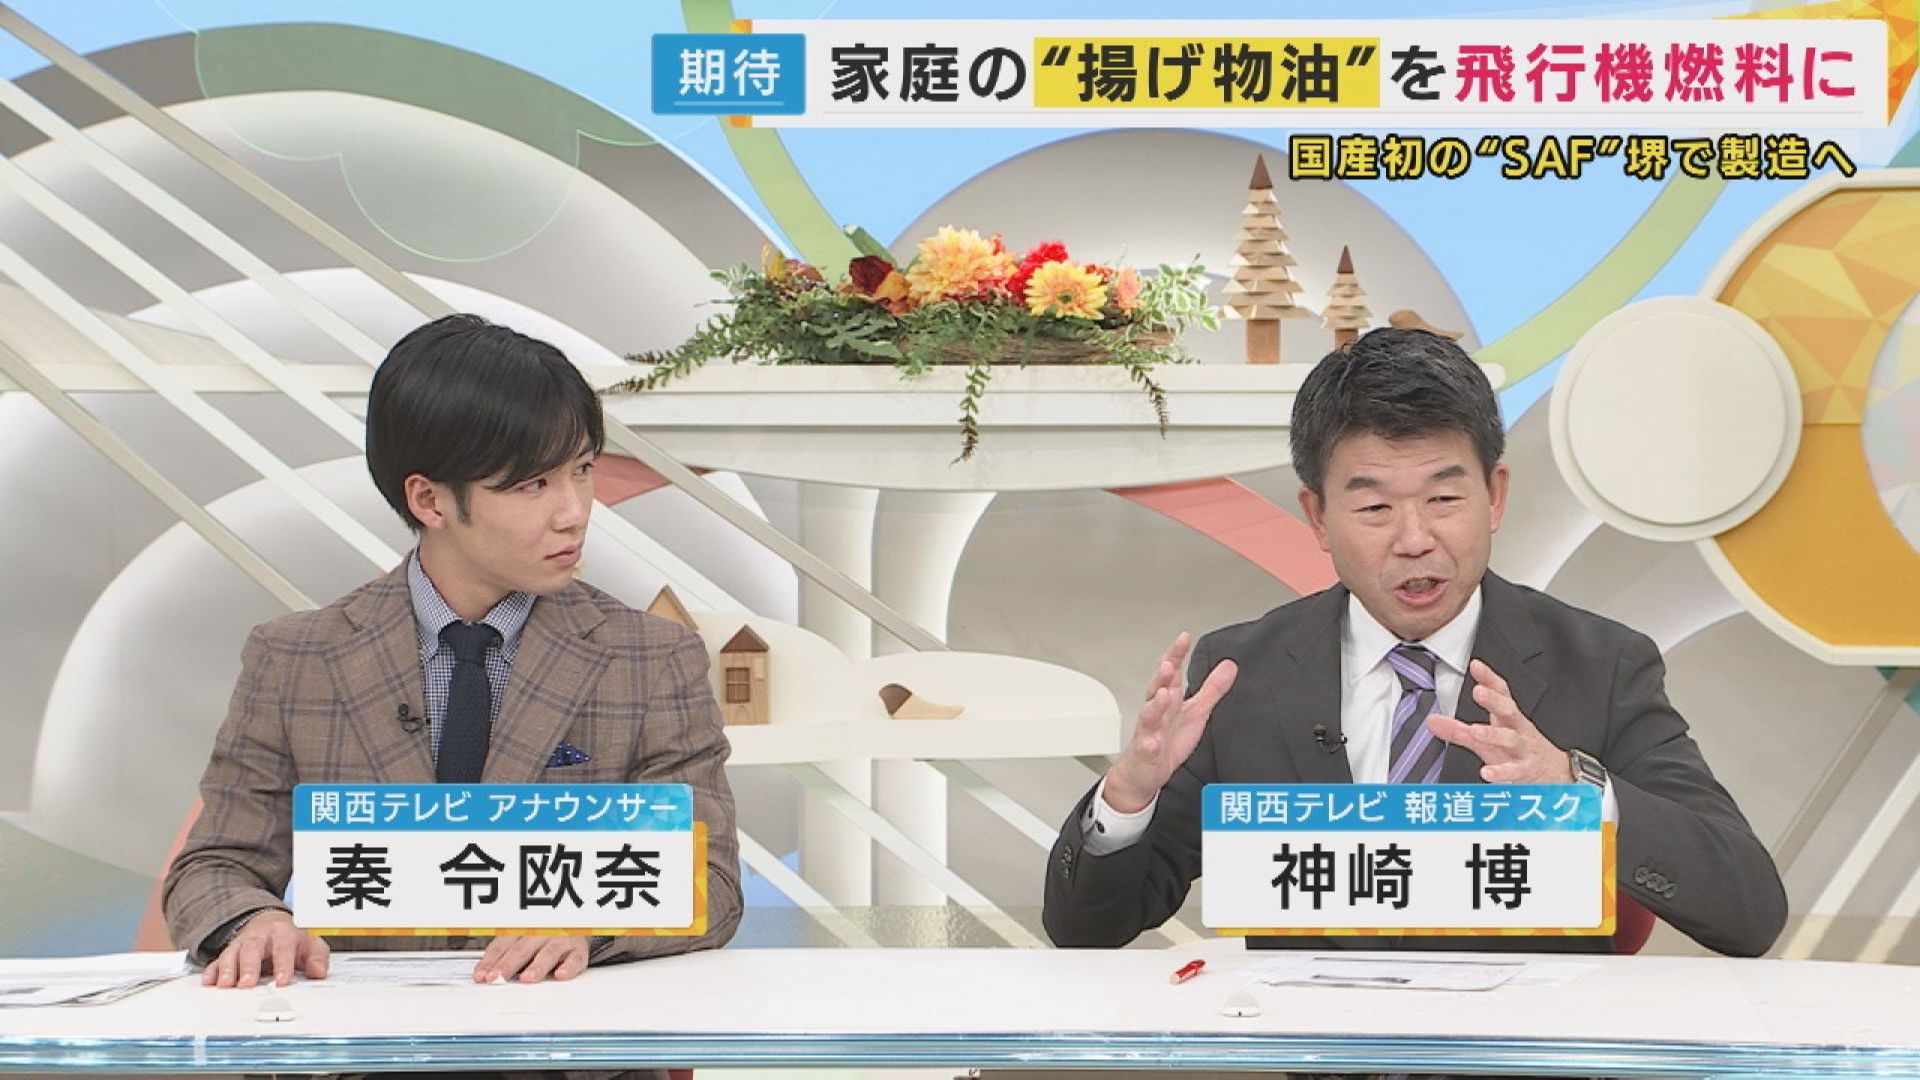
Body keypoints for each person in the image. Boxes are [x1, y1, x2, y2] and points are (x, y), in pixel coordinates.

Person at [1042, 327, 1785, 958]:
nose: (1415, 539)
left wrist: (1574, 789)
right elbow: (1087, 930)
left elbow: (1749, 911)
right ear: (1318, 516)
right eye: (1374, 508)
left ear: (1495, 497)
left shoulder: (1600, 666)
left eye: (1444, 499)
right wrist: (1129, 795)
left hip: (1519, 1060)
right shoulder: (1243, 676)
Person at [163, 314, 742, 1004]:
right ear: (430, 500)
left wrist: (585, 926)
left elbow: (710, 879)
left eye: (582, 471)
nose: (574, 512)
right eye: (532, 485)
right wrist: (254, 920)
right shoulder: (296, 660)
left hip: (563, 1038)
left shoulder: (647, 659)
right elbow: (215, 865)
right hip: (363, 1039)